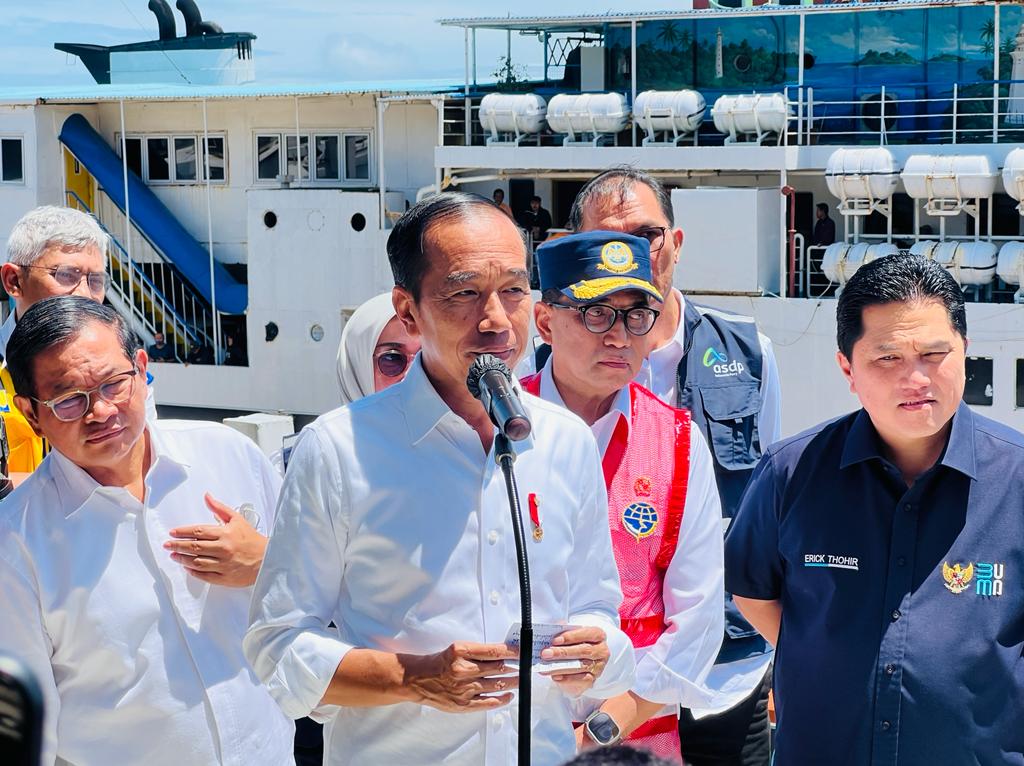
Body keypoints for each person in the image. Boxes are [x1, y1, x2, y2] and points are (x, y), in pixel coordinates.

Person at [245, 192, 636, 766]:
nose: (496, 320)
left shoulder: (567, 440)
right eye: (464, 294)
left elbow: (598, 602)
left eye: (513, 290)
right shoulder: (337, 449)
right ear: (407, 312)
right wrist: (413, 678)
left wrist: (596, 648)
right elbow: (276, 645)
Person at [726, 254, 1024, 765]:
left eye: (935, 353)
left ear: (965, 351)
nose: (916, 378)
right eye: (888, 358)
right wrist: (834, 652)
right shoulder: (789, 473)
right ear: (848, 367)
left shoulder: (1017, 480)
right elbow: (752, 592)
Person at [0, 296, 293, 766]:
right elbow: (25, 732)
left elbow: (317, 598)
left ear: (141, 366)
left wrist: (271, 563)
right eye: (70, 400)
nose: (100, 411)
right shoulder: (15, 544)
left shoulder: (230, 456)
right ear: (31, 414)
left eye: (114, 384)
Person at [569, 167, 782, 766]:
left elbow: (767, 505)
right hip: (604, 684)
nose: (632, 254)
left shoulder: (749, 353)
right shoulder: (545, 368)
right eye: (609, 239)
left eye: (648, 235)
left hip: (726, 673)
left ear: (677, 243)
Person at [524, 231, 724, 762]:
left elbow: (700, 622)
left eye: (637, 316)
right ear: (545, 322)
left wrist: (597, 730)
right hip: (505, 734)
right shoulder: (492, 429)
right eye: (597, 314)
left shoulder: (678, 441)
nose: (620, 336)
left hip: (636, 741)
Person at [335, 291, 421, 404]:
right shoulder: (327, 422)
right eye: (392, 359)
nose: (415, 374)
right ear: (357, 368)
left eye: (427, 359)